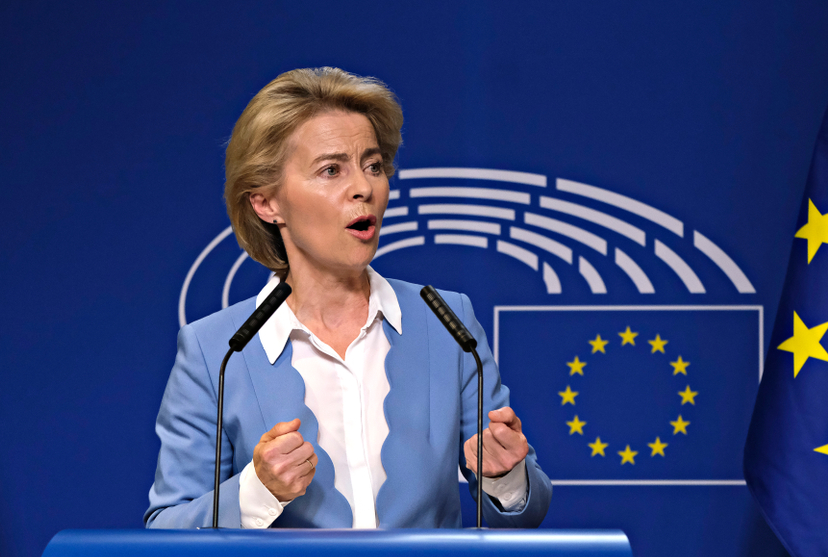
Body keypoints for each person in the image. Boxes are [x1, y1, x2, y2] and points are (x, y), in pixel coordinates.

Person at [144, 67, 552, 529]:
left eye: (373, 166)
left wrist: (506, 476)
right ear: (266, 203)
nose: (364, 188)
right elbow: (166, 528)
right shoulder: (214, 351)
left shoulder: (447, 321)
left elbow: (525, 512)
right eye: (331, 169)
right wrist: (257, 490)